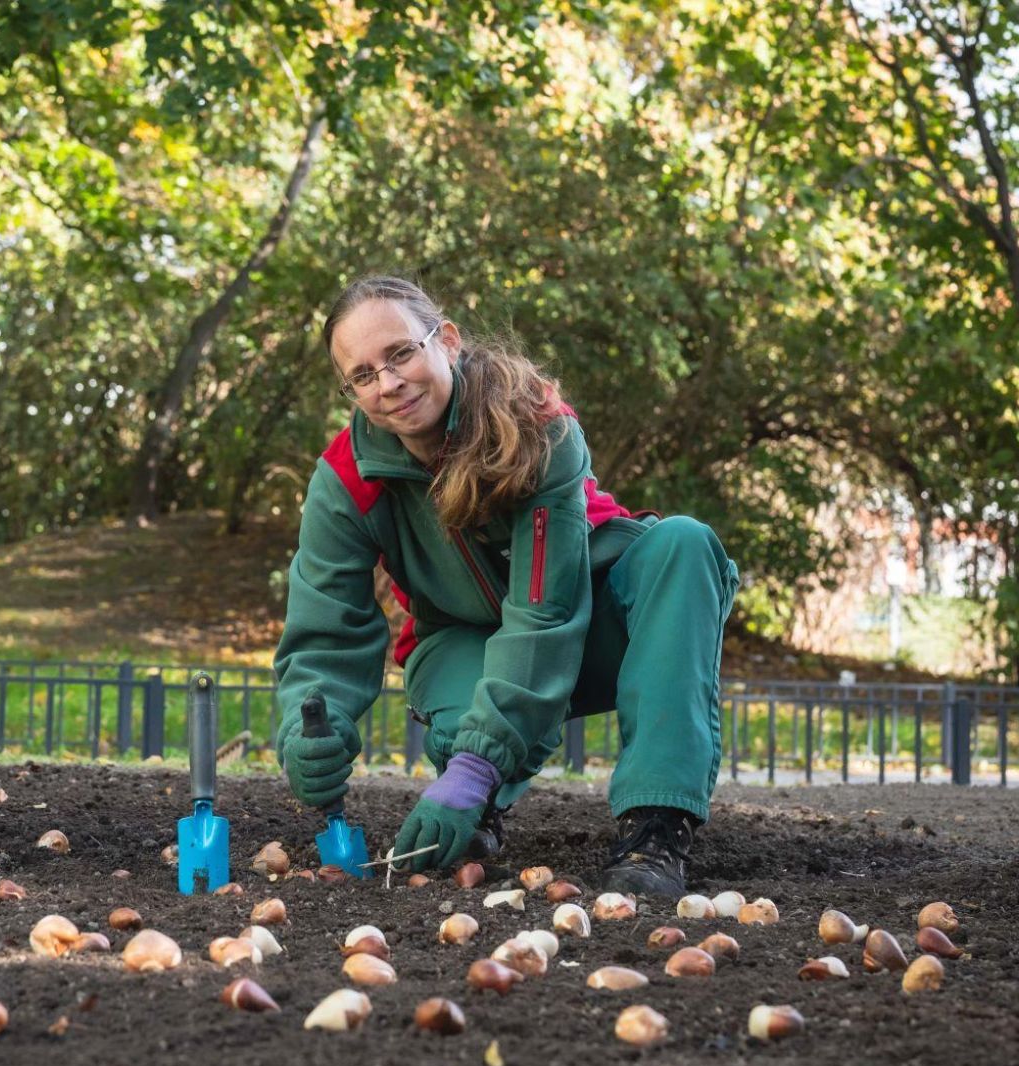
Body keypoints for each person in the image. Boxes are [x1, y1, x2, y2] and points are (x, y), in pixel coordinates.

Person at [272, 276, 738, 896]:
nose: (387, 383)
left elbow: (546, 615)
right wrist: (311, 726)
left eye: (401, 353)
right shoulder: (344, 479)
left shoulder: (539, 427)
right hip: (465, 638)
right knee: (458, 702)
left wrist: (473, 765)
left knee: (683, 543)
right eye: (362, 375)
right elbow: (324, 629)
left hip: (594, 624)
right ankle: (480, 802)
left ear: (448, 340)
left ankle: (656, 823)